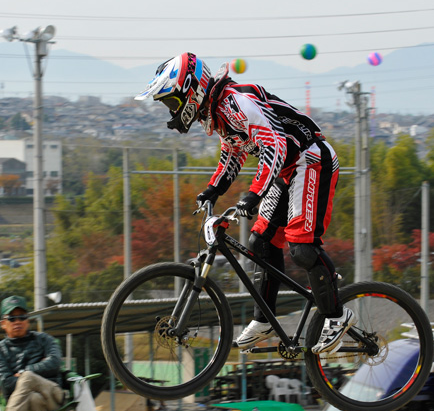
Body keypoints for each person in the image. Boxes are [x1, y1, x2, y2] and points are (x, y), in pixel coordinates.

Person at [135, 52, 355, 354]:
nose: (172, 111)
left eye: (173, 102)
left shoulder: (234, 103)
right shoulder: (218, 112)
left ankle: (338, 316)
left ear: (192, 90)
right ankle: (264, 320)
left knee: (301, 248)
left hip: (312, 158)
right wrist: (213, 189)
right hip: (289, 169)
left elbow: (275, 144)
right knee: (260, 241)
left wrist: (253, 194)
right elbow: (233, 154)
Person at [0, 295, 65, 411]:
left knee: (27, 376)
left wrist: (25, 372)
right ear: (3, 323)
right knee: (33, 397)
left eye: (22, 317)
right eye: (12, 318)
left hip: (52, 397)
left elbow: (55, 363)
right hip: (26, 401)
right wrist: (39, 368)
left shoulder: (45, 339)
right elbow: (6, 384)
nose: (18, 321)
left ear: (28, 320)